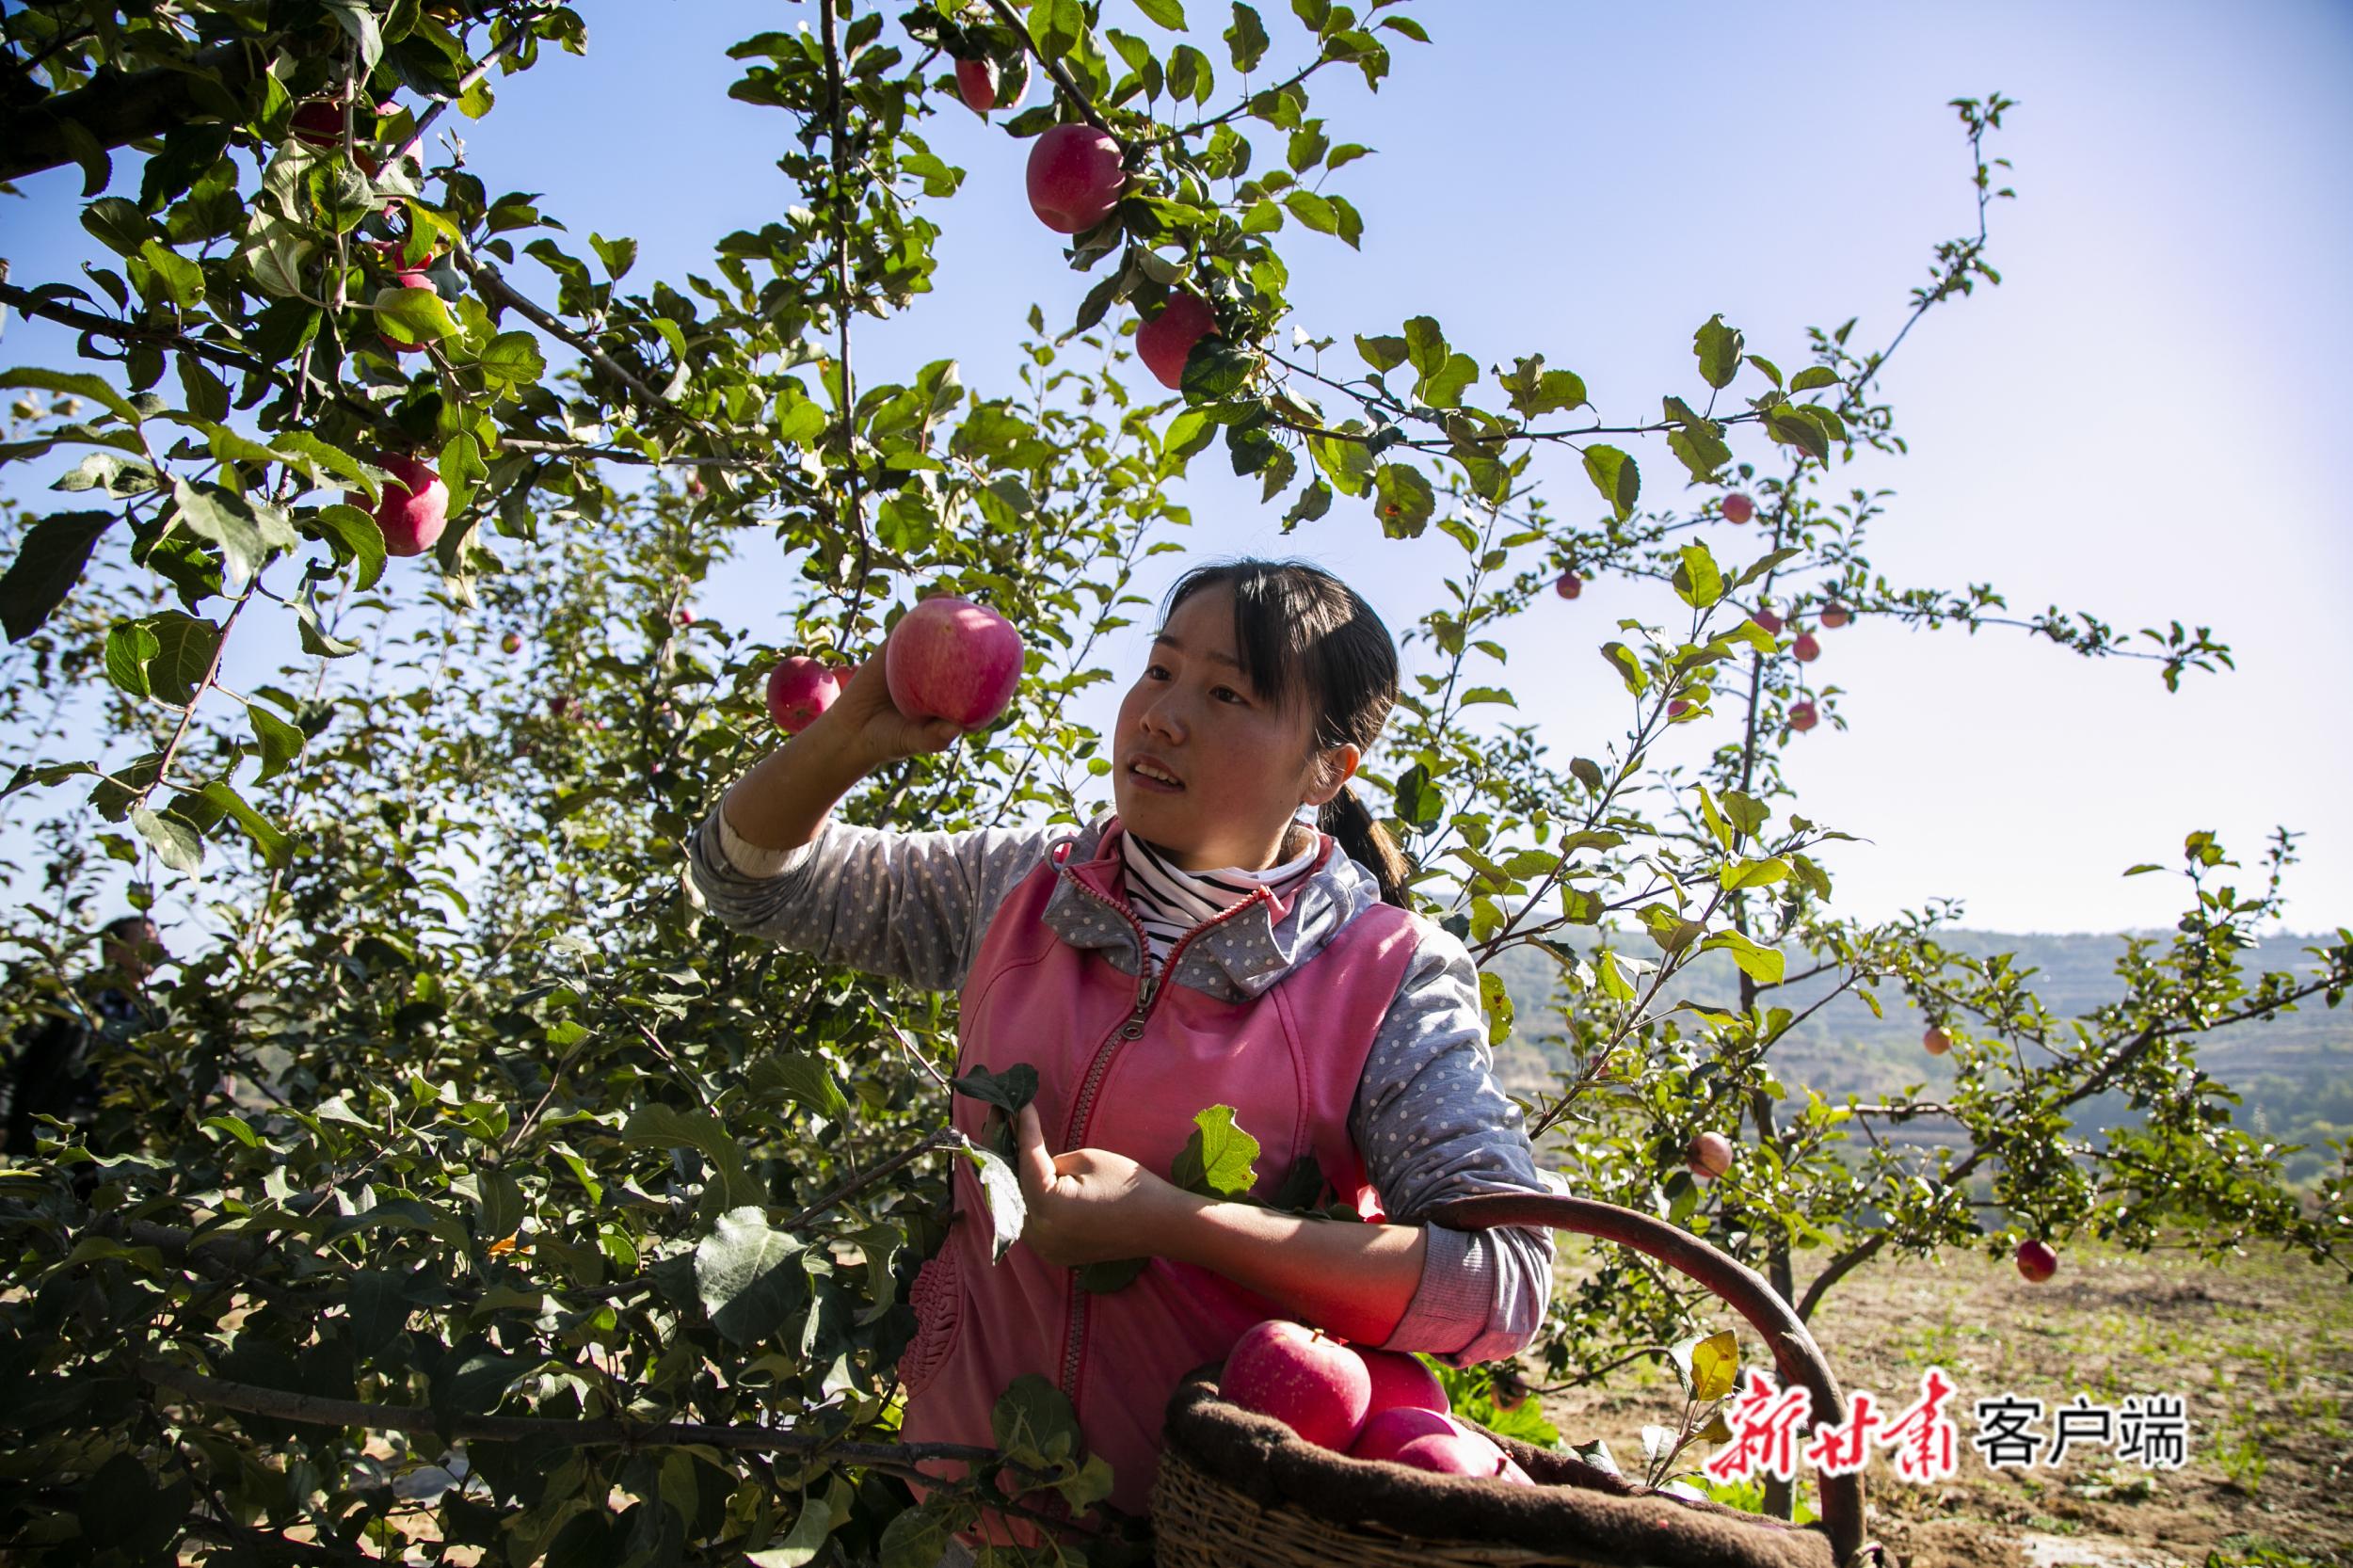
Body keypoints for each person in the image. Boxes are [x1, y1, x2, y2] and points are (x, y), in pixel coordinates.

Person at [686, 558, 1558, 1550]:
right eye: (1158, 669)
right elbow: (748, 878)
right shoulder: (1024, 886)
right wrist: (856, 731)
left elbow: (1500, 1283)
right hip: (960, 1513)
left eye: (1226, 691)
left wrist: (1178, 1222)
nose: (1161, 715)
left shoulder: (1385, 973)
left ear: (1328, 769)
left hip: (1204, 1536)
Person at [1, 913, 167, 1157]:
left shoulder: (150, 1016)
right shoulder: (69, 998)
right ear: (112, 950)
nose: (156, 947)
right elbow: (14, 1060)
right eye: (145, 938)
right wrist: (2, 1120)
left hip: (113, 1141)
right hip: (53, 1132)